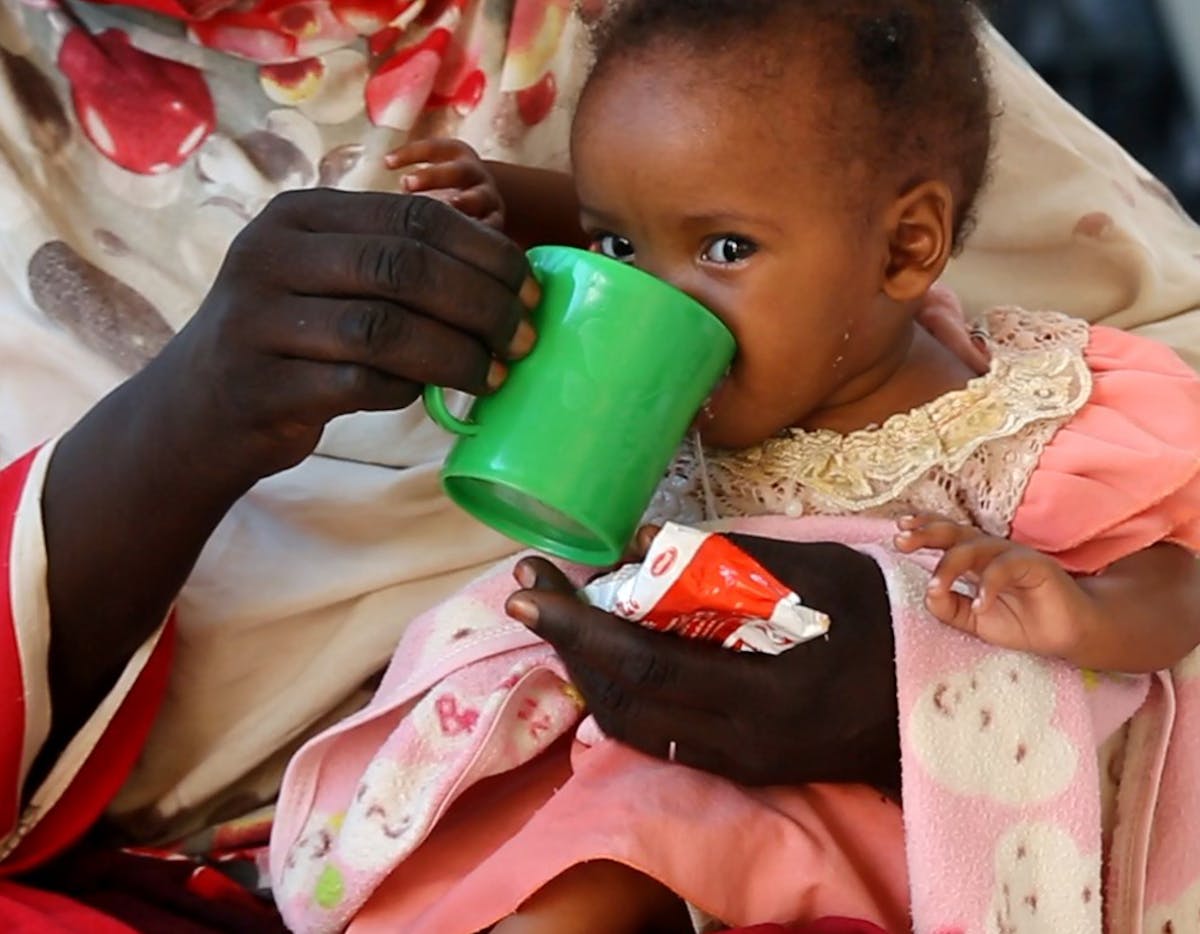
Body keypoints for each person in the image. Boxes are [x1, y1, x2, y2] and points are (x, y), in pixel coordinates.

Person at [4, 0, 1200, 931]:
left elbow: (1162, 535)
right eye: (617, 248)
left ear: (911, 244)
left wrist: (932, 678)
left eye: (721, 248)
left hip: (870, 819)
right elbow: (622, 210)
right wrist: (189, 415)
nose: (645, 280)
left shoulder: (783, 68)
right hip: (348, 832)